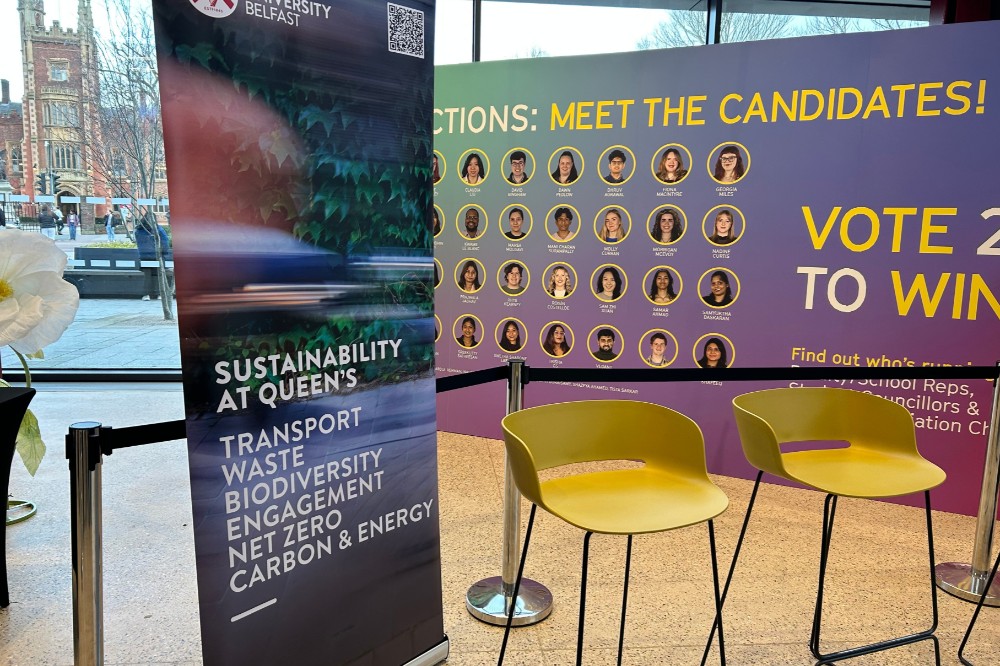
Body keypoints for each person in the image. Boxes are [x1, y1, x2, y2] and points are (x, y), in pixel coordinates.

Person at [135, 213, 171, 301]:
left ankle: (146, 295)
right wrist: (164, 253)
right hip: (157, 256)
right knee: (159, 275)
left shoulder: (139, 230)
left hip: (144, 257)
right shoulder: (158, 229)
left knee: (147, 276)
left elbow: (139, 243)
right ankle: (160, 294)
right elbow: (165, 242)